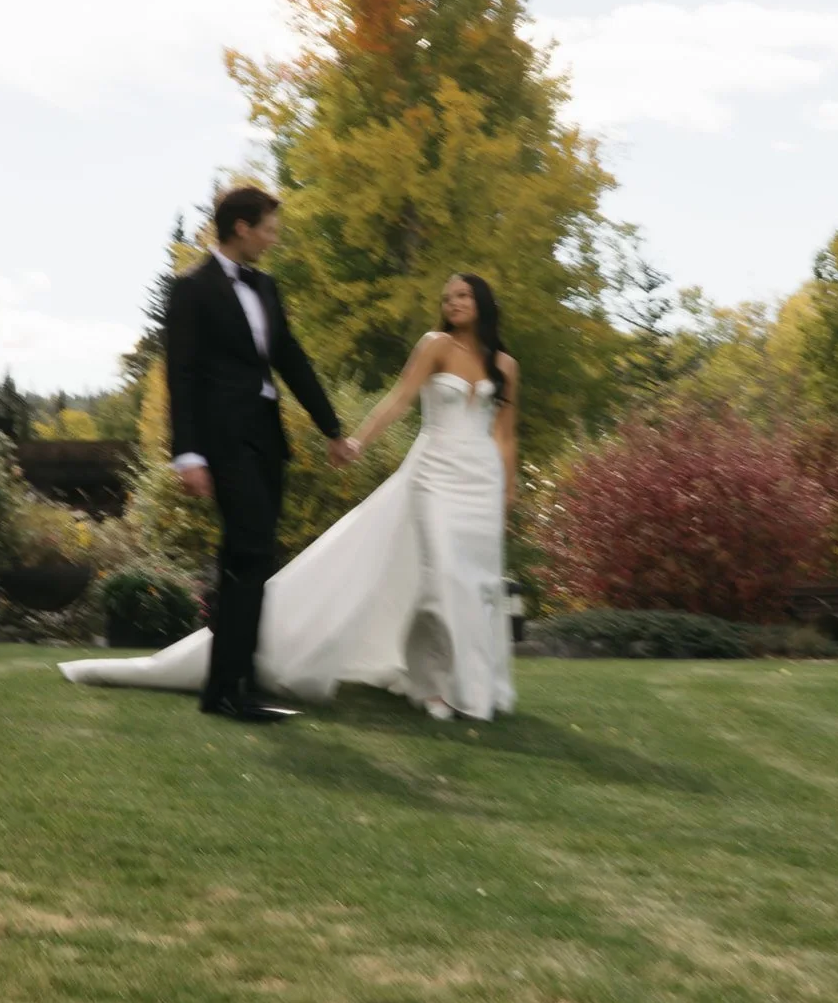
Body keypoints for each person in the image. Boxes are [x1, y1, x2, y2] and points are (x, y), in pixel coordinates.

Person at [60, 269, 518, 722]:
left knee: (475, 582)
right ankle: (434, 685)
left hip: (480, 482)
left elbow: (505, 437)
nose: (453, 302)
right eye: (448, 296)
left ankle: (472, 686)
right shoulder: (434, 345)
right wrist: (355, 440)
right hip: (434, 473)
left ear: (483, 302)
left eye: (462, 295)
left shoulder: (506, 366)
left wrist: (507, 491)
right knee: (442, 576)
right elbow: (398, 400)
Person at [121, 185, 351, 725]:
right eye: (268, 227)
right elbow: (180, 374)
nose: (273, 238)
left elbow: (291, 359)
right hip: (222, 442)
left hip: (266, 439)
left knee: (251, 558)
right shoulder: (191, 290)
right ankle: (230, 689)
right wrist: (187, 455)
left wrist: (332, 428)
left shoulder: (267, 288)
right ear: (242, 227)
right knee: (249, 550)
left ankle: (227, 684)